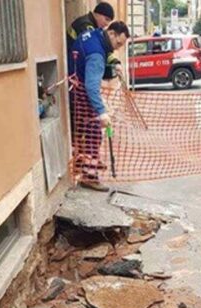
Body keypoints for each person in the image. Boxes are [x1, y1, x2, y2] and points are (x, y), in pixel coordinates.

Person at [69, 21, 130, 191]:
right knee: (93, 134)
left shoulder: (93, 34)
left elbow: (105, 54)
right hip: (81, 94)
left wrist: (114, 63)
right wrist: (102, 112)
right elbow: (91, 86)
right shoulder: (96, 55)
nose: (117, 48)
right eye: (118, 43)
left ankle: (82, 161)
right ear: (111, 33)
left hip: (75, 87)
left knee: (80, 131)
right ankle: (89, 175)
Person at [66, 2, 122, 80]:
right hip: (72, 68)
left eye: (109, 21)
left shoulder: (93, 27)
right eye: (106, 19)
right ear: (97, 14)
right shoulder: (86, 26)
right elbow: (95, 49)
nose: (107, 24)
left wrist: (114, 62)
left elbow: (103, 48)